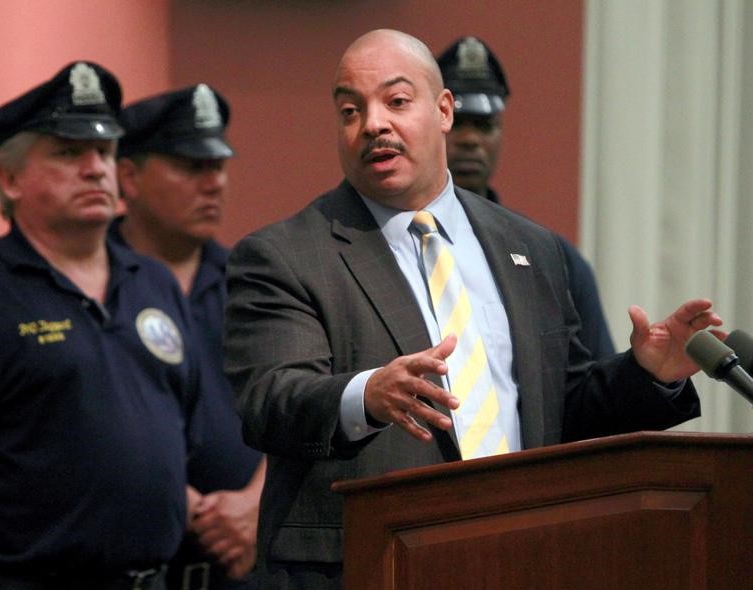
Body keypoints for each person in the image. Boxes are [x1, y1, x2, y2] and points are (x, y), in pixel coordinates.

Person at [222, 29, 721, 590]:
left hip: (521, 556)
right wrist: (367, 394)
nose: (373, 124)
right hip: (368, 565)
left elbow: (556, 410)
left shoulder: (531, 248)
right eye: (349, 110)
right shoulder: (285, 256)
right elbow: (270, 399)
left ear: (443, 110)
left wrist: (644, 375)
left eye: (397, 101)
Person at [0, 62, 205, 590]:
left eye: (107, 153)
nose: (96, 168)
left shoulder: (153, 283)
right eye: (70, 153)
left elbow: (188, 422)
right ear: (10, 178)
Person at [112, 84, 265, 590]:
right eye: (189, 166)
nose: (214, 183)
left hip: (243, 569)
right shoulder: (90, 283)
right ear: (128, 177)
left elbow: (298, 406)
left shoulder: (254, 282)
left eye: (218, 166)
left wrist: (253, 504)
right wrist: (176, 498)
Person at [437, 35, 616, 359]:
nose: (469, 140)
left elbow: (597, 385)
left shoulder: (552, 259)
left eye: (484, 125)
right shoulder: (397, 242)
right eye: (457, 124)